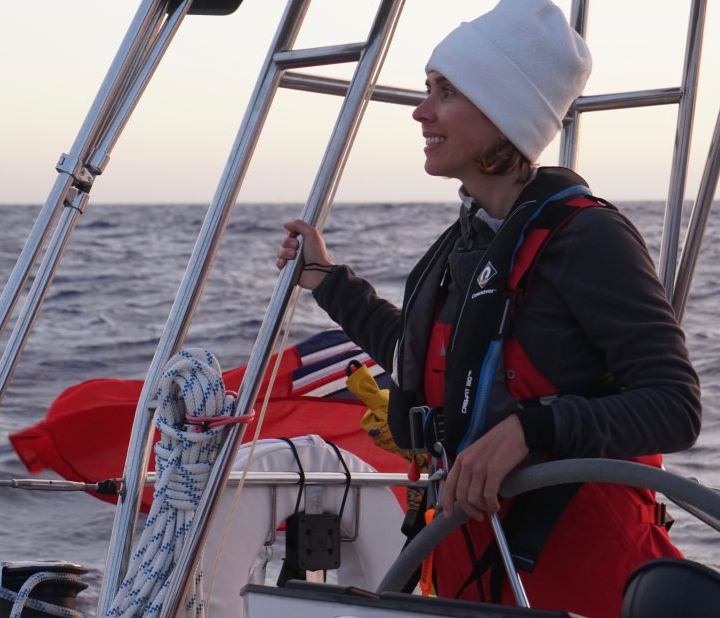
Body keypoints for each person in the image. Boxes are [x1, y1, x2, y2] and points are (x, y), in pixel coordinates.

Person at [275, 1, 701, 616]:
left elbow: (674, 406)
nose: (421, 112)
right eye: (427, 89)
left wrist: (530, 431)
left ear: (502, 114)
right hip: (474, 581)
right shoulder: (471, 241)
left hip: (583, 590)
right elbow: (429, 365)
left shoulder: (590, 238)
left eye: (445, 92)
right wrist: (326, 280)